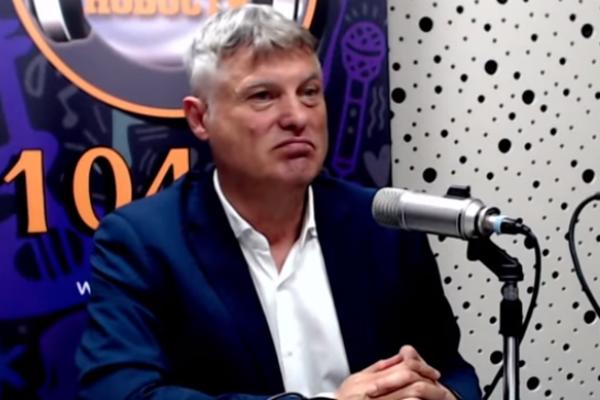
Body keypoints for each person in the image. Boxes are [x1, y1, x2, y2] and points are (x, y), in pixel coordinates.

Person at [76, 5, 482, 400]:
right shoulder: (144, 241)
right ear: (200, 118)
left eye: (309, 93)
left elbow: (451, 366)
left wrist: (443, 395)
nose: (297, 117)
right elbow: (117, 390)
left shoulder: (384, 224)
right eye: (263, 96)